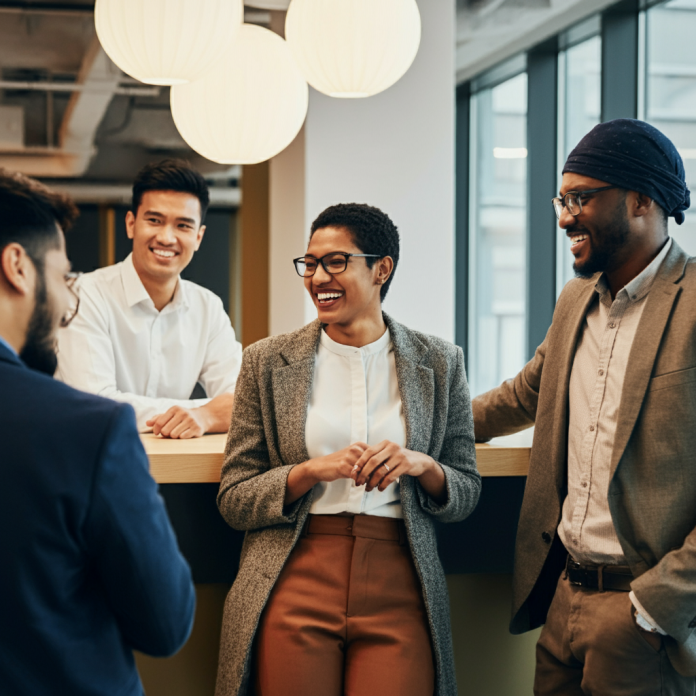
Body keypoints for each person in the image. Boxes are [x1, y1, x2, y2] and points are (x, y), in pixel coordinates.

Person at [214, 203, 481, 696]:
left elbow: (466, 491)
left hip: (400, 578)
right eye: (310, 264)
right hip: (295, 571)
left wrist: (421, 465)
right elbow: (234, 498)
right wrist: (309, 472)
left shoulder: (440, 362)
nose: (318, 277)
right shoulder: (266, 362)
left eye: (336, 262)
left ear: (383, 268)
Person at [472, 119, 695, 694]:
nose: (566, 216)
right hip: (564, 597)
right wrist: (411, 421)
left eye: (582, 198)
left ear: (642, 199)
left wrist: (654, 605)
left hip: (642, 618)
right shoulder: (576, 299)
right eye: (562, 199)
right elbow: (522, 396)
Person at [0, 169, 195, 695]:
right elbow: (165, 624)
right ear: (18, 267)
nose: (68, 304)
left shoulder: (207, 308)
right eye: (63, 277)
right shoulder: (91, 431)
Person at [56, 159, 242, 438]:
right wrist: (206, 412)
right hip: (91, 466)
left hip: (176, 469)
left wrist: (204, 415)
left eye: (183, 225)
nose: (167, 237)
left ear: (199, 237)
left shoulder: (208, 308)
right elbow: (95, 404)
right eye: (154, 220)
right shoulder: (85, 295)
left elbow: (244, 399)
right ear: (131, 224)